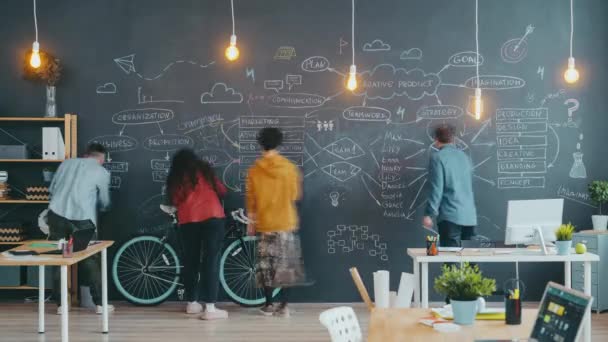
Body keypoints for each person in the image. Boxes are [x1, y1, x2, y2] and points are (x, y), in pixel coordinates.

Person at [246, 127, 307, 318]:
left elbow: (251, 200)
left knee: (266, 266)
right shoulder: (290, 168)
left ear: (260, 143)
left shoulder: (254, 170)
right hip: (285, 222)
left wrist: (251, 223)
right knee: (286, 266)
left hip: (265, 224)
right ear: (279, 143)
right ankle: (284, 307)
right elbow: (295, 195)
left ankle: (268, 305)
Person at [48, 143, 113, 314]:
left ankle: (61, 305)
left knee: (59, 258)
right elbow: (105, 202)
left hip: (56, 215)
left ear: (86, 154)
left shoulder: (66, 163)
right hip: (82, 218)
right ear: (101, 158)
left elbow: (52, 189)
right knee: (90, 258)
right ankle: (100, 304)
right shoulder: (101, 171)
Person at [166, 148, 228, 320]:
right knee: (211, 262)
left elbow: (175, 200)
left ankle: (192, 304)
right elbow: (222, 190)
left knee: (190, 261)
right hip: (213, 218)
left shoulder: (176, 177)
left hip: (188, 221)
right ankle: (210, 308)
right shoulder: (205, 171)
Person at [423, 124, 477, 247]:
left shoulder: (438, 158)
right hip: (469, 216)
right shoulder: (465, 157)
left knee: (451, 260)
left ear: (436, 140)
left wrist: (429, 213)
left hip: (450, 216)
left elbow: (437, 188)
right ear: (453, 139)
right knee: (470, 261)